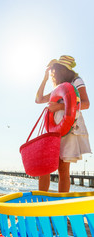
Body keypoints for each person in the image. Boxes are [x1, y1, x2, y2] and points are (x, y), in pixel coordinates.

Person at [35, 55, 91, 192]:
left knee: (63, 170)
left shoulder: (76, 81)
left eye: (55, 70)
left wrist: (59, 107)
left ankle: (60, 203)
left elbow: (86, 104)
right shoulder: (57, 88)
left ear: (62, 70)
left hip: (69, 127)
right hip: (53, 128)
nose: (53, 73)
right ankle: (41, 201)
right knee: (44, 166)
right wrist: (44, 79)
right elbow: (39, 99)